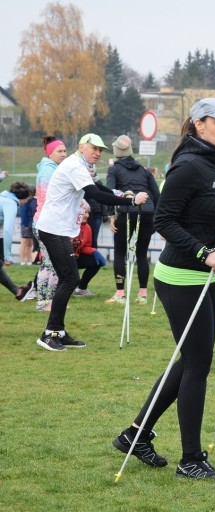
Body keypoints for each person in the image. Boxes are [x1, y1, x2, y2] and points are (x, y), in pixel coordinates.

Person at [112, 98, 215, 480]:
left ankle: (136, 434)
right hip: (181, 278)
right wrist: (204, 252)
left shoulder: (214, 165)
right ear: (198, 124)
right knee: (197, 366)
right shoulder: (188, 166)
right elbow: (163, 220)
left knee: (191, 362)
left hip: (205, 278)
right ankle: (190, 460)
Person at [35, 133, 149, 351]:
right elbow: (95, 195)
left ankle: (58, 332)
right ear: (81, 147)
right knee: (70, 279)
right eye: (93, 148)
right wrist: (131, 200)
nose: (97, 153)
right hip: (53, 228)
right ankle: (50, 333)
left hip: (58, 228)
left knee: (67, 279)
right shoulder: (74, 166)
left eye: (100, 150)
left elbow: (102, 189)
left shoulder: (81, 166)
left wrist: (121, 194)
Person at [105, 135, 161, 305]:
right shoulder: (143, 170)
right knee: (142, 254)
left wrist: (111, 216)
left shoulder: (114, 170)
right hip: (147, 212)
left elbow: (109, 192)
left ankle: (120, 293)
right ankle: (142, 295)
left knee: (120, 253)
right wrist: (157, 217)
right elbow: (157, 193)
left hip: (127, 211)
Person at [33, 136, 67, 312]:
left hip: (49, 221)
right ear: (50, 153)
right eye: (59, 151)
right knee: (49, 263)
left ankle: (49, 301)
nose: (64, 154)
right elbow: (48, 199)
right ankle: (43, 301)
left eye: (64, 151)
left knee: (51, 263)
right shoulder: (48, 171)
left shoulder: (52, 168)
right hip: (45, 222)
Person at [72, 203, 107, 296]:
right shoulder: (68, 225)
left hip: (76, 257)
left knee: (96, 262)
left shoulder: (87, 227)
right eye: (85, 212)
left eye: (88, 213)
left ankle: (81, 288)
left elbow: (86, 246)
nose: (87, 215)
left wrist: (93, 251)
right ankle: (35, 287)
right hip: (63, 257)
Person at [0, 181, 31, 265]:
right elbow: (7, 230)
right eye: (27, 199)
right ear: (22, 197)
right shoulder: (11, 203)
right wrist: (8, 257)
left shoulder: (3, 197)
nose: (26, 202)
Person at [18, 184, 37, 265]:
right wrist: (26, 224)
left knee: (29, 243)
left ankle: (29, 260)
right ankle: (22, 260)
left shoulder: (30, 201)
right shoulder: (27, 201)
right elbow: (26, 213)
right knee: (24, 242)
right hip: (26, 224)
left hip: (29, 224)